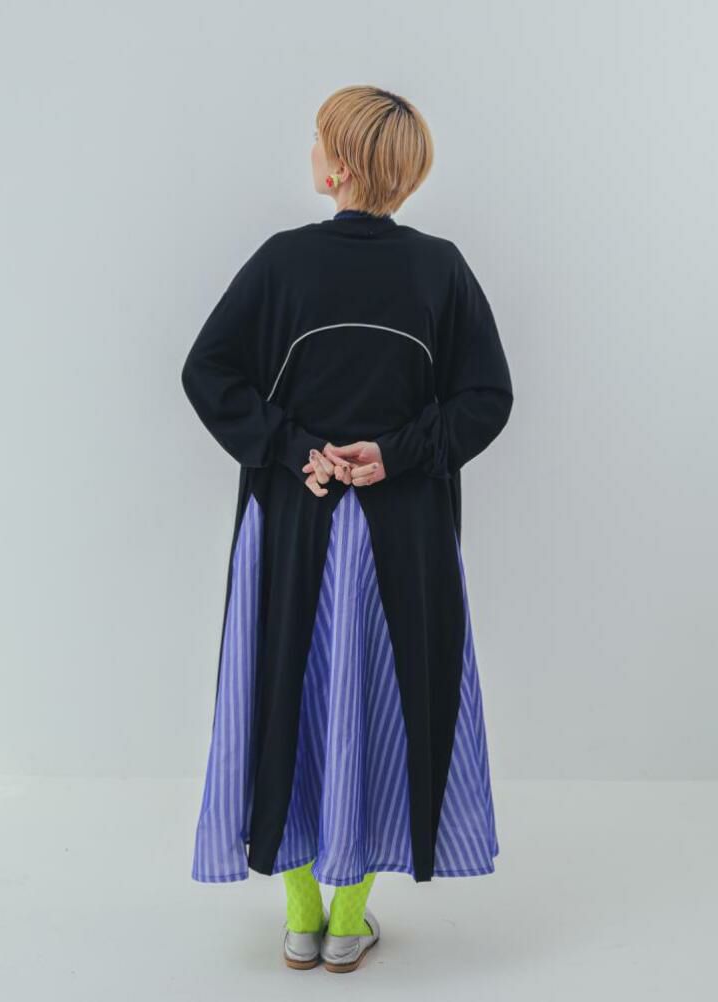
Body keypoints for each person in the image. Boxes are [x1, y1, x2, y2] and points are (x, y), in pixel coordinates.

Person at [180, 84, 513, 973]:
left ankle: (301, 917)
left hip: (294, 526)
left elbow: (208, 371)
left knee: (285, 697)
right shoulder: (441, 268)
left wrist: (295, 449)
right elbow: (486, 398)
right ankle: (348, 920)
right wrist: (395, 454)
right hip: (402, 536)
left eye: (317, 142)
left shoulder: (282, 262)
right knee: (375, 709)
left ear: (338, 168)